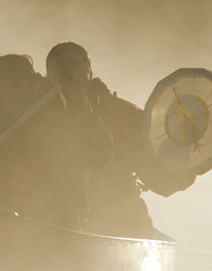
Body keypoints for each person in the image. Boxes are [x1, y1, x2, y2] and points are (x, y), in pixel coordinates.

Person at [45, 42, 195, 237]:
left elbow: (165, 180)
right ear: (47, 76)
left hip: (121, 224)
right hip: (62, 223)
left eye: (74, 68)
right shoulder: (38, 119)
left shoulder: (121, 115)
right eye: (60, 70)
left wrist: (182, 144)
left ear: (89, 73)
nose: (68, 76)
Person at [0, 53, 111, 230]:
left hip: (55, 234)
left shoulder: (55, 129)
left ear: (16, 89)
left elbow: (100, 153)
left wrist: (78, 104)